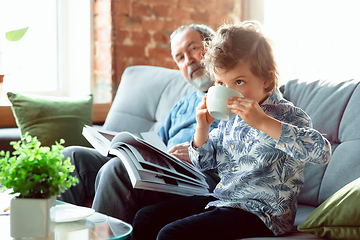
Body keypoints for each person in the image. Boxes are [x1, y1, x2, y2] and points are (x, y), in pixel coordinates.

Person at [130, 21, 332, 240]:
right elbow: (204, 163)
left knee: (172, 234)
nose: (229, 92)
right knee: (145, 217)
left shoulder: (287, 115)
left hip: (263, 214)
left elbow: (322, 152)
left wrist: (263, 122)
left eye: (239, 81)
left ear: (266, 79)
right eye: (221, 83)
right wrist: (202, 128)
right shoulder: (230, 120)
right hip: (223, 201)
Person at [58, 24, 220, 223]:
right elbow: (156, 145)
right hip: (163, 171)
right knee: (71, 157)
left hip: (198, 179)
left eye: (193, 48)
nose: (189, 60)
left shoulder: (233, 96)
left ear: (214, 46)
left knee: (118, 169)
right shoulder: (182, 105)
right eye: (179, 57)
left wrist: (201, 151)